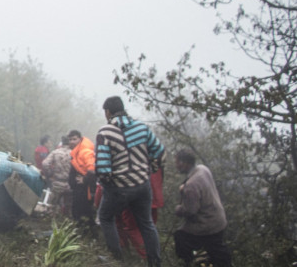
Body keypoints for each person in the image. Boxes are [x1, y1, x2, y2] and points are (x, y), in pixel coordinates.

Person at [95, 96, 164, 267]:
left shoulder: (105, 132)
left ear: (108, 112)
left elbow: (103, 168)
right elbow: (159, 151)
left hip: (119, 187)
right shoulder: (142, 128)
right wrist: (151, 169)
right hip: (142, 185)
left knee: (105, 217)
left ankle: (116, 259)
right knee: (146, 223)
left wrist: (108, 185)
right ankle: (155, 262)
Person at [174, 149, 232, 267]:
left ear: (184, 163)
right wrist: (184, 188)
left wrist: (178, 209)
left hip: (207, 225)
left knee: (180, 237)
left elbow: (190, 211)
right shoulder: (203, 169)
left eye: (177, 162)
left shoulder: (191, 185)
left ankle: (189, 262)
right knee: (217, 251)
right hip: (219, 219)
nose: (176, 165)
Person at [67, 129, 96, 234]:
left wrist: (84, 179)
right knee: (78, 212)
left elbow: (92, 169)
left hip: (84, 189)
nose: (72, 141)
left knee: (85, 212)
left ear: (80, 139)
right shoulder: (76, 152)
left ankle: (88, 235)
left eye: (74, 139)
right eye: (70, 139)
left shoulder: (85, 151)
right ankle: (82, 233)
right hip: (78, 188)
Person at [41, 136, 73, 216]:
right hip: (70, 183)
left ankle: (52, 224)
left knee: (53, 206)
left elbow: (45, 164)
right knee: (68, 207)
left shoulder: (55, 152)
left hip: (57, 182)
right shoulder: (74, 152)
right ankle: (66, 224)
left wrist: (50, 174)